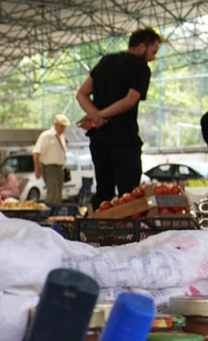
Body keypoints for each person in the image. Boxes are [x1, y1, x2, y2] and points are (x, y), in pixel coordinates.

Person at [76, 31, 159, 208]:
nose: (153, 58)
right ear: (142, 46)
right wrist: (100, 115)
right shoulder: (141, 68)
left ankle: (94, 223)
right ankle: (127, 226)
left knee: (103, 192)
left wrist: (96, 114)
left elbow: (82, 93)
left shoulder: (106, 61)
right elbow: (129, 101)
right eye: (153, 52)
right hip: (124, 139)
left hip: (99, 137)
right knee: (129, 195)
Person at [32, 115, 71, 209]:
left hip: (60, 167)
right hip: (49, 167)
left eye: (64, 127)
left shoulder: (61, 137)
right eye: (62, 126)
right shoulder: (46, 135)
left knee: (58, 193)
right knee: (53, 192)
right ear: (56, 124)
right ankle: (47, 211)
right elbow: (36, 152)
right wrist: (37, 168)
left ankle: (56, 211)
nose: (63, 129)